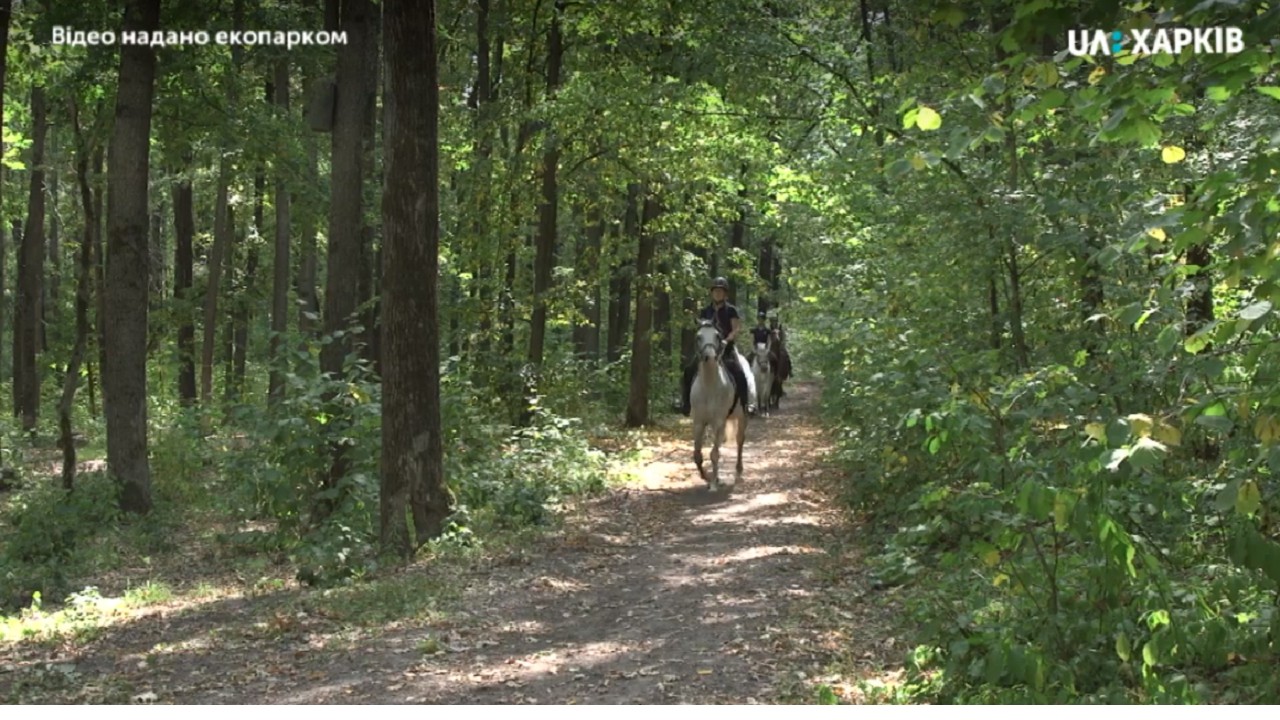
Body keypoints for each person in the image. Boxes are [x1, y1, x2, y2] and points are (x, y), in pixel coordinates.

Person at [680, 277, 754, 416]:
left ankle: (745, 404)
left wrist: (726, 340)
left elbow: (736, 329)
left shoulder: (731, 310)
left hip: (726, 349)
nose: (718, 294)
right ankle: (685, 403)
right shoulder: (705, 311)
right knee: (689, 370)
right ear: (712, 293)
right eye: (715, 291)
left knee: (739, 373)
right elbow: (701, 330)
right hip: (708, 349)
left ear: (725, 294)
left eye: (721, 291)